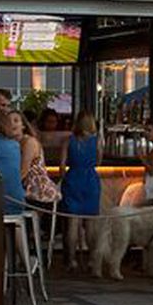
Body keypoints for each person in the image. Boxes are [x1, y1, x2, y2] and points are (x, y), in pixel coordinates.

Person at [59, 112, 101, 270]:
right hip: (90, 180)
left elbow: (62, 166)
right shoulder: (97, 141)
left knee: (72, 222)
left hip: (73, 179)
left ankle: (71, 260)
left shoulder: (67, 141)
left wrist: (65, 177)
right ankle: (92, 260)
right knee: (90, 223)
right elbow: (98, 161)